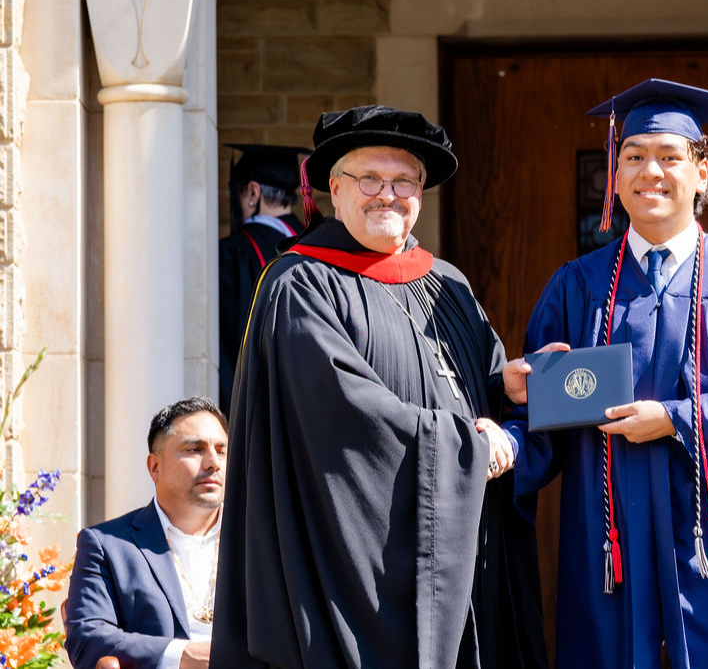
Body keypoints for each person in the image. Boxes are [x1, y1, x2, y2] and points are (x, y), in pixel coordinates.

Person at [211, 105, 546, 669]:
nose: (386, 194)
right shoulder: (300, 285)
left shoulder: (448, 284)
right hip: (357, 574)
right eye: (369, 178)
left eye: (404, 181)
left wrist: (503, 386)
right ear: (334, 192)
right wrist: (470, 448)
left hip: (462, 556)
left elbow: (470, 389)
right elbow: (345, 417)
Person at [504, 79, 708, 668]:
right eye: (634, 157)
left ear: (701, 172)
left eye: (670, 157)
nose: (651, 172)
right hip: (609, 542)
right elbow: (538, 425)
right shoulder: (577, 288)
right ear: (614, 179)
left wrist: (672, 420)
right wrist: (503, 428)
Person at [64, 396, 229, 669]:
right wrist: (184, 657)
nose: (213, 462)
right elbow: (88, 637)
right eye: (194, 449)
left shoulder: (262, 543)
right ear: (155, 467)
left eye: (221, 451)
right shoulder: (107, 545)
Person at [219, 144, 310, 409]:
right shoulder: (320, 248)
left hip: (257, 409)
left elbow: (228, 354)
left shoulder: (234, 254)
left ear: (252, 192)